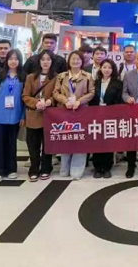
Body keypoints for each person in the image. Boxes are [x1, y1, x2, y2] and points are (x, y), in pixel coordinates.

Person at [52, 51, 94, 179]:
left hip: (81, 111)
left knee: (80, 139)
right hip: (65, 111)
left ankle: (77, 170)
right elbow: (55, 92)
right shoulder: (61, 76)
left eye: (78, 59)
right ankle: (64, 168)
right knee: (66, 138)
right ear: (69, 61)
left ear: (82, 61)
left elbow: (91, 92)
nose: (75, 61)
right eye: (73, 59)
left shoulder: (88, 76)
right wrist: (65, 101)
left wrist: (79, 101)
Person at [0, 49, 25, 183]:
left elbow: (24, 100)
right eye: (11, 58)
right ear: (6, 60)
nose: (13, 61)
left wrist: (23, 116)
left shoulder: (23, 77)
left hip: (15, 117)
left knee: (11, 145)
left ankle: (11, 169)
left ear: (20, 61)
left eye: (16, 58)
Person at [23, 50, 57, 181]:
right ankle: (34, 168)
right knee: (33, 144)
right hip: (34, 114)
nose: (45, 62)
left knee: (48, 144)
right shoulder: (30, 77)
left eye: (48, 59)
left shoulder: (56, 77)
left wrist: (50, 101)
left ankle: (46, 168)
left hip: (49, 115)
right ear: (39, 62)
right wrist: (36, 102)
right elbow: (25, 96)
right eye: (43, 59)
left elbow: (58, 93)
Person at [89, 58, 123, 178]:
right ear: (100, 69)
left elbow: (119, 101)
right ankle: (98, 168)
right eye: (104, 67)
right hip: (96, 116)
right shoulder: (95, 82)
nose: (107, 70)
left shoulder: (117, 83)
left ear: (113, 69)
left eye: (109, 67)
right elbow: (91, 99)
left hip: (110, 116)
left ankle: (107, 167)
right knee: (97, 141)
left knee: (108, 142)